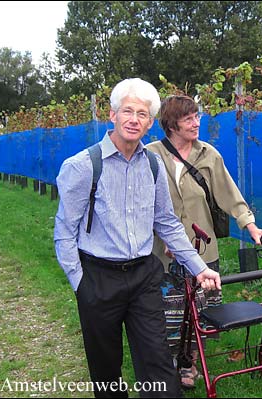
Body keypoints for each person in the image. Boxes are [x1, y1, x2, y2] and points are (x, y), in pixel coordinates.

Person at [54, 78, 221, 398]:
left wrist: (199, 267)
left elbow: (167, 223)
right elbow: (64, 233)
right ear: (112, 115)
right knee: (106, 369)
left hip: (144, 276)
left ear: (150, 122)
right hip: (98, 278)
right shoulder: (82, 166)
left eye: (142, 114)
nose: (134, 119)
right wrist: (81, 283)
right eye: (127, 111)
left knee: (157, 362)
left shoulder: (154, 165)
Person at [146, 95, 262, 389]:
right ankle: (168, 364)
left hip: (202, 251)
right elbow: (141, 202)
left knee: (198, 312)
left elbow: (230, 194)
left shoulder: (208, 155)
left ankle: (188, 364)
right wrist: (162, 235)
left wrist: (251, 226)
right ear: (171, 124)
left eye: (197, 117)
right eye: (189, 119)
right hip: (163, 253)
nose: (196, 123)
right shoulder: (151, 155)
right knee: (169, 314)